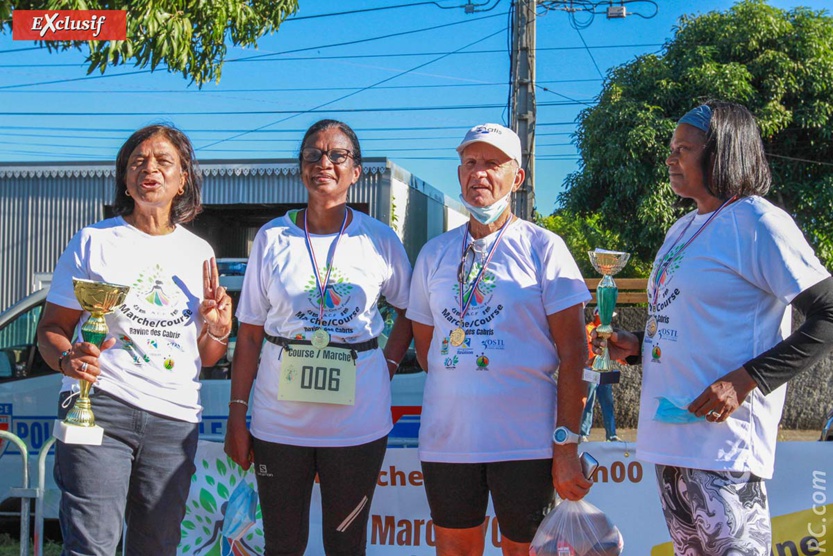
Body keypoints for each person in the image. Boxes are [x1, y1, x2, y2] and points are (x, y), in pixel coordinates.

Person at [595, 101, 833, 555]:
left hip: (723, 447)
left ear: (722, 152)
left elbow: (829, 314)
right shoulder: (682, 228)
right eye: (671, 148)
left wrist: (747, 380)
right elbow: (692, 324)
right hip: (670, 441)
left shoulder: (759, 222)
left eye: (683, 148)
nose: (670, 158)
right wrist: (638, 345)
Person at [36, 124, 233, 556]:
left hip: (174, 417)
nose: (151, 169)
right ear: (125, 178)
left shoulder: (199, 252)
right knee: (92, 545)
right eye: (138, 161)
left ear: (183, 179)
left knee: (157, 547)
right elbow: (50, 330)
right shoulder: (95, 241)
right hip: (99, 404)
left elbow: (206, 355)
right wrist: (69, 358)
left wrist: (218, 329)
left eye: (165, 162)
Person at [224, 119, 413, 556]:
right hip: (280, 422)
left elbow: (412, 311)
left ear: (356, 171)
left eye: (337, 155)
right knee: (284, 545)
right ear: (301, 167)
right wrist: (238, 414)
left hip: (357, 423)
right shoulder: (273, 238)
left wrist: (386, 364)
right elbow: (250, 334)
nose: (323, 162)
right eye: (312, 154)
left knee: (346, 545)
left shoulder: (379, 239)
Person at [407, 123, 592, 556]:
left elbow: (575, 352)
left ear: (518, 177)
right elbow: (427, 347)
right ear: (458, 174)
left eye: (493, 163)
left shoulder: (543, 248)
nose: (480, 174)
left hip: (524, 441)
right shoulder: (433, 254)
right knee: (454, 551)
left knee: (524, 551)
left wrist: (566, 446)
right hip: (448, 441)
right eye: (471, 163)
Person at [580, 311, 620, 442]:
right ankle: (583, 433)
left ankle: (611, 434)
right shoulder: (589, 329)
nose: (610, 319)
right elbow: (588, 349)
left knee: (607, 402)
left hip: (604, 370)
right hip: (592, 369)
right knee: (589, 401)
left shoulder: (608, 331)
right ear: (599, 315)